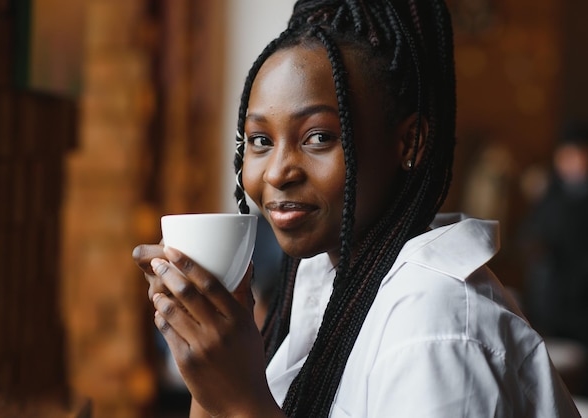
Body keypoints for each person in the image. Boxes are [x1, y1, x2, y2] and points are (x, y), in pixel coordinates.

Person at [132, 0, 581, 416]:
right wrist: (209, 371)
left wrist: (242, 399)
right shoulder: (324, 285)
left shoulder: (434, 332)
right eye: (260, 141)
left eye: (318, 137)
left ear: (410, 142)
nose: (276, 173)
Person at [519, 122, 588, 394]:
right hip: (550, 302)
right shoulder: (551, 194)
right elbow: (532, 233)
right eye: (568, 156)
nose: (575, 163)